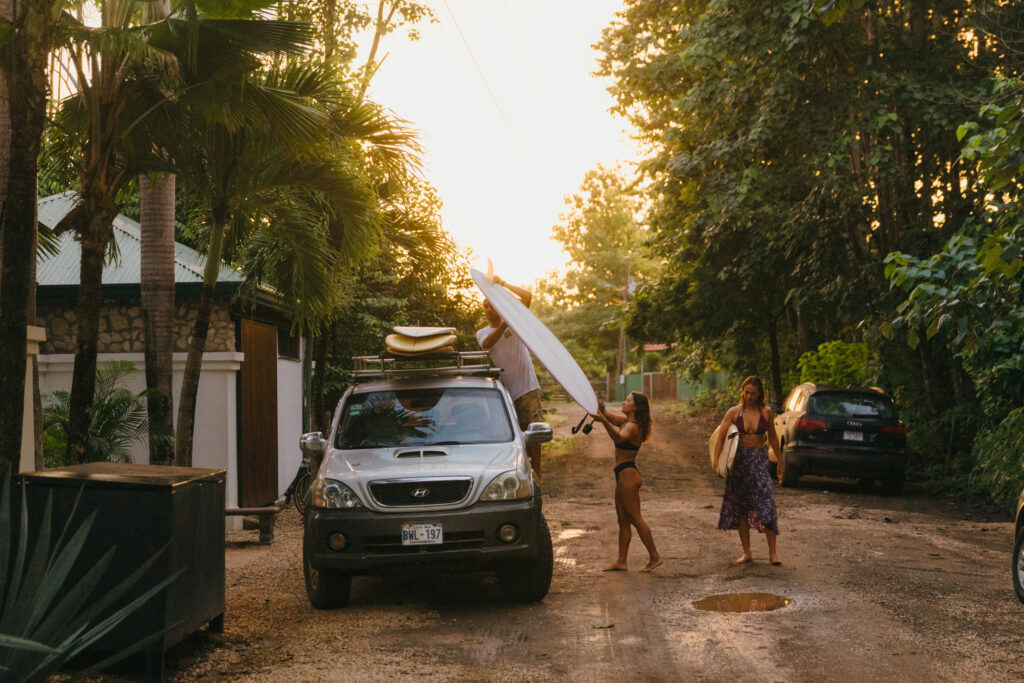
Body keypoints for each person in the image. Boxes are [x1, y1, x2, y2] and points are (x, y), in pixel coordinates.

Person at [477, 274, 545, 478]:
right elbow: (488, 344)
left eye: (492, 305)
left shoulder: (516, 322)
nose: (489, 309)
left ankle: (538, 473)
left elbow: (527, 296)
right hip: (505, 392)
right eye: (485, 307)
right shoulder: (482, 333)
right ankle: (519, 473)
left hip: (526, 387)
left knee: (533, 432)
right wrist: (505, 325)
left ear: (499, 306)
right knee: (513, 435)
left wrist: (503, 284)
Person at [713, 375, 783, 565]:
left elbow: (774, 438)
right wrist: (716, 461)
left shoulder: (767, 412)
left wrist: (780, 460)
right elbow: (720, 438)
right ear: (742, 392)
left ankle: (773, 553)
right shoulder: (734, 412)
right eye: (746, 392)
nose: (749, 396)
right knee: (741, 507)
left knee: (767, 503)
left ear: (760, 394)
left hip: (759, 462)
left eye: (753, 393)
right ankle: (747, 553)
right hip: (739, 463)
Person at [591, 392, 663, 573]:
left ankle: (655, 556)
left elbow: (618, 438)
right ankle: (621, 561)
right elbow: (606, 415)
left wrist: (604, 422)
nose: (624, 402)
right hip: (622, 474)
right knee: (623, 521)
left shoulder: (633, 427)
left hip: (628, 475)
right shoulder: (625, 422)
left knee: (636, 519)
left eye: (628, 401)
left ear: (635, 407)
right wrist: (596, 402)